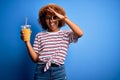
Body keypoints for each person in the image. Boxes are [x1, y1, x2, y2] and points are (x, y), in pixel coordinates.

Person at [21, 3, 83, 80]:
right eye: (48, 18)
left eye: (55, 17)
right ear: (44, 20)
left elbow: (80, 33)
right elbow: (35, 59)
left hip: (59, 71)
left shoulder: (66, 34)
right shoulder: (39, 35)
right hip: (41, 71)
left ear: (59, 19)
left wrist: (64, 18)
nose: (51, 21)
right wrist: (27, 42)